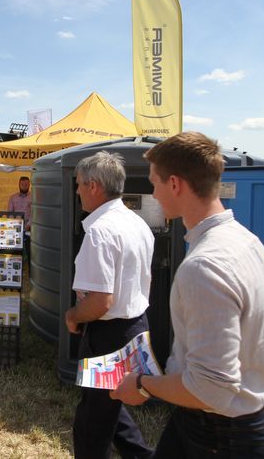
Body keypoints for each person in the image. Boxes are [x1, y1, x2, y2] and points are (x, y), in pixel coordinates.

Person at [112, 132, 264, 458]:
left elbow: (210, 388)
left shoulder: (205, 266)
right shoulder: (247, 242)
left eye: (154, 183)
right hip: (218, 426)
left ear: (175, 184)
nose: (154, 193)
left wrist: (142, 384)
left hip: (218, 437)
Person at [64, 151, 154, 459]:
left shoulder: (100, 231)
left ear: (93, 186)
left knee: (91, 425)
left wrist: (73, 316)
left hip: (108, 336)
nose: (76, 192)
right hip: (134, 327)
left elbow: (101, 302)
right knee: (107, 404)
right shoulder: (136, 222)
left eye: (78, 185)